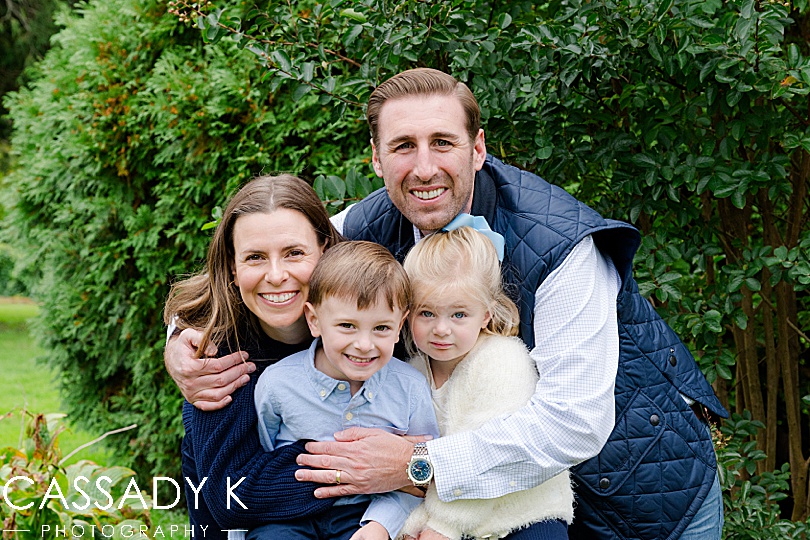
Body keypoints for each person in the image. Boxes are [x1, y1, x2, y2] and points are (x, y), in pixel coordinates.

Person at [166, 69, 728, 539]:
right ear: (376, 159)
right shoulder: (367, 226)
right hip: (505, 509)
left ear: (478, 148)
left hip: (646, 491)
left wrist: (418, 465)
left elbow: (574, 424)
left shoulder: (565, 248)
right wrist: (180, 341)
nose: (425, 167)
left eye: (443, 142)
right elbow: (275, 273)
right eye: (403, 146)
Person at [163, 174, 346, 539]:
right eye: (255, 258)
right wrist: (358, 468)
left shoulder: (367, 327)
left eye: (294, 253)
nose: (276, 276)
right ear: (233, 266)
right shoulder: (219, 359)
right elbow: (231, 495)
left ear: (324, 248)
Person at [249, 241, 439, 540]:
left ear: (400, 325)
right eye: (347, 326)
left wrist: (380, 525)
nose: (364, 344)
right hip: (290, 512)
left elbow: (422, 478)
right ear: (314, 320)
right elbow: (265, 451)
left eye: (381, 328)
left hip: (367, 512)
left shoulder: (410, 388)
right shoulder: (277, 384)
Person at [398, 221, 573, 540]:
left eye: (459, 314)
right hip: (457, 520)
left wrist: (441, 528)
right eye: (427, 313)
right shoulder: (412, 372)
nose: (441, 328)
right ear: (407, 313)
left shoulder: (501, 360)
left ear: (487, 314)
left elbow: (488, 462)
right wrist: (410, 525)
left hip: (524, 516)